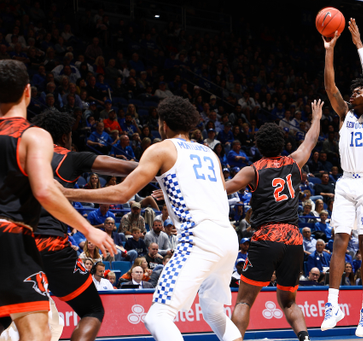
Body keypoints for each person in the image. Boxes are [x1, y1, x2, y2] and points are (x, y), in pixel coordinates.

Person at [57, 95, 242, 341]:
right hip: (229, 238)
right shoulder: (211, 154)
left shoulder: (162, 148)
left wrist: (67, 192)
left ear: (164, 124)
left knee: (157, 316)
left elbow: (122, 193)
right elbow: (215, 193)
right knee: (214, 310)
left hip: (199, 238)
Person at [0, 59, 115, 341]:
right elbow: (45, 190)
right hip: (12, 237)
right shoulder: (33, 135)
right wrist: (89, 229)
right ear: (28, 91)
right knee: (37, 331)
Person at [224, 100, 324, 341]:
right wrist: (317, 118)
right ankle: (305, 338)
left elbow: (222, 189)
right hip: (293, 238)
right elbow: (310, 140)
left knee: (245, 300)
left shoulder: (253, 170)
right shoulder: (294, 161)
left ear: (258, 146)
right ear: (281, 144)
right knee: (289, 302)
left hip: (268, 236)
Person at [321, 18, 363, 337]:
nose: (356, 92)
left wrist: (359, 44)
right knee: (338, 241)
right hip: (346, 182)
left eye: (360, 90)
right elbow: (329, 86)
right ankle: (332, 306)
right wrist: (329, 49)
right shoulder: (344, 114)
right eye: (355, 91)